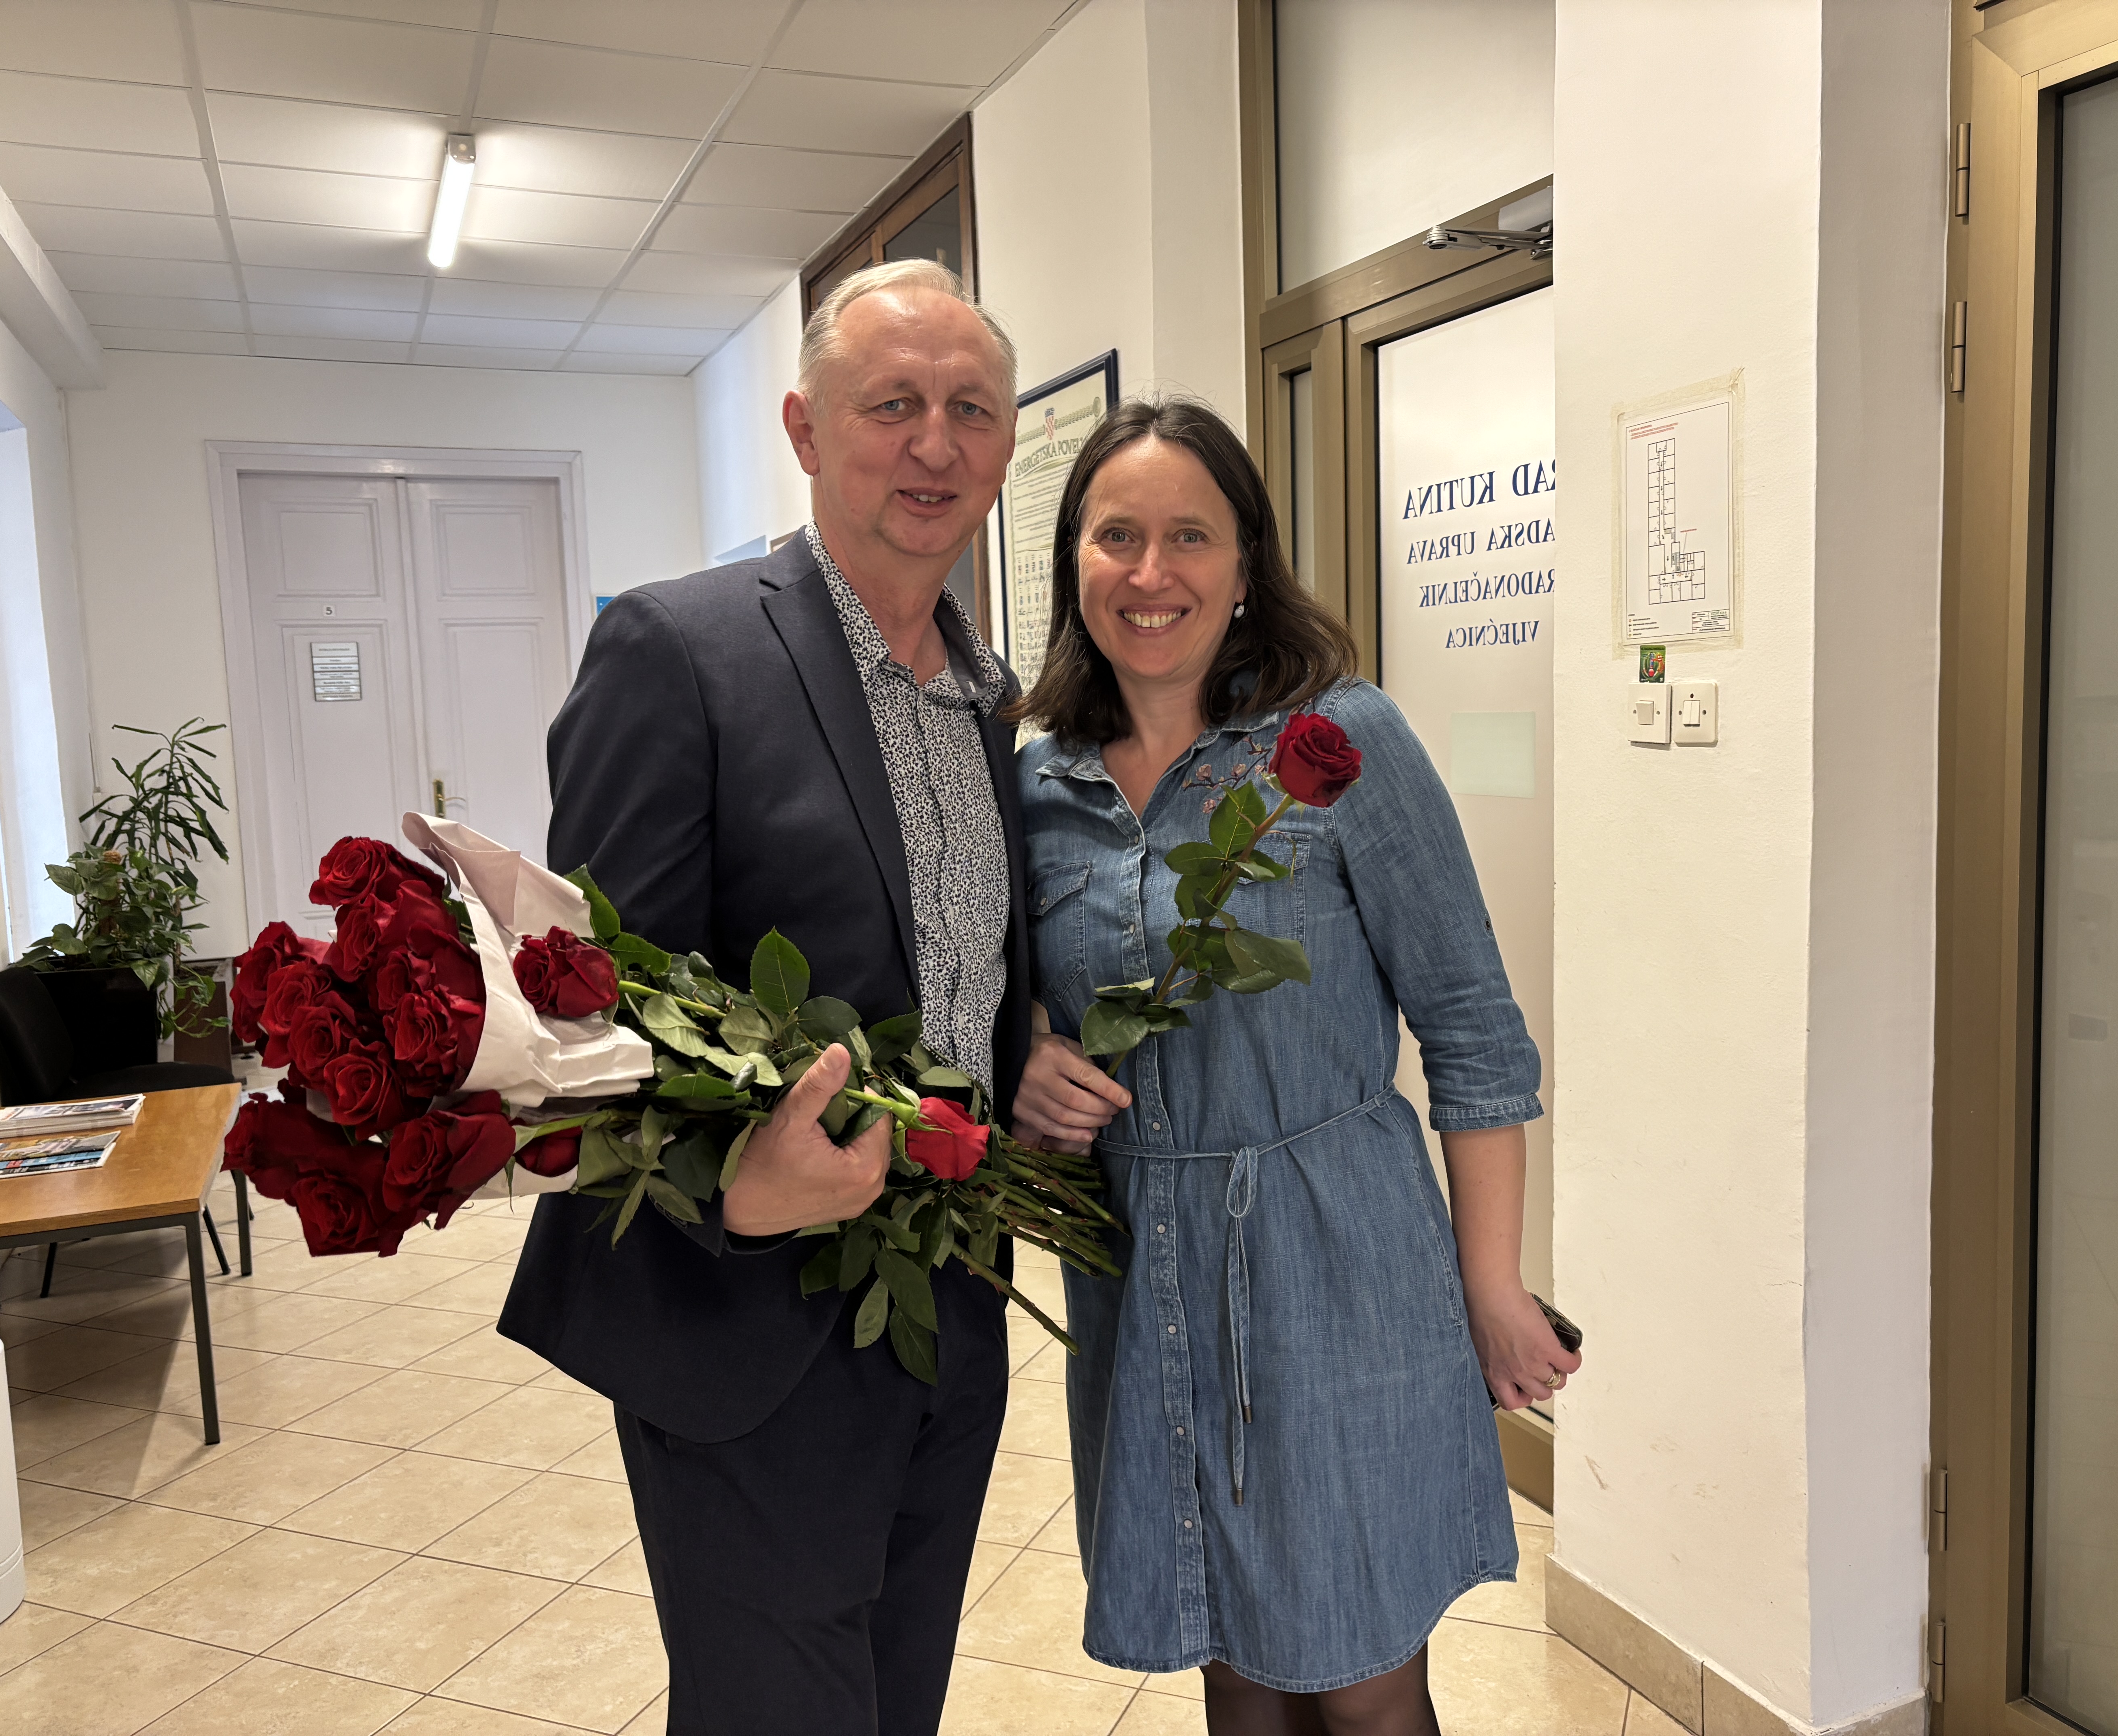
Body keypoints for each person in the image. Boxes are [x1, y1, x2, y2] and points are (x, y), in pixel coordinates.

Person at [500, 259, 1029, 1736]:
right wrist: (735, 1193)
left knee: (900, 1699)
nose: (935, 444)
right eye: (893, 404)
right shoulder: (679, 649)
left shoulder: (990, 700)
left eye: (971, 409)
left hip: (948, 1306)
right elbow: (585, 1018)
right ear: (805, 429)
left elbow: (971, 972)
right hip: (747, 1319)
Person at [1009, 399, 1581, 1735]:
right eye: (1118, 536)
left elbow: (1474, 1033)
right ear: (1074, 559)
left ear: (1245, 564)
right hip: (1145, 1267)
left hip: (1336, 1258)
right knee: (1237, 1665)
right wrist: (1028, 1054)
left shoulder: (1341, 743)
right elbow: (1006, 1000)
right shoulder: (1038, 785)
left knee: (1363, 1678)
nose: (1152, 572)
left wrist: (1492, 1286)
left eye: (1189, 536)